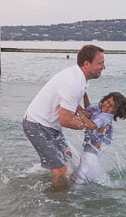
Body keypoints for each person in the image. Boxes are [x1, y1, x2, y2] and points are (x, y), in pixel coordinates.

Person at [22, 44, 106, 190]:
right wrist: (93, 126)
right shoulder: (73, 83)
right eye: (100, 63)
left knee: (67, 157)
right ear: (87, 64)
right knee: (62, 170)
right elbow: (66, 120)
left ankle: (50, 183)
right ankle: (61, 206)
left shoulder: (79, 77)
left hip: (50, 126)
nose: (103, 67)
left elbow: (71, 102)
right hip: (36, 125)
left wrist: (85, 113)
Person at [73, 92, 126, 185]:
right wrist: (85, 95)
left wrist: (79, 112)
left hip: (91, 154)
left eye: (111, 106)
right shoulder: (100, 109)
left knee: (79, 182)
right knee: (78, 178)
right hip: (90, 152)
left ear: (115, 111)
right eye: (107, 101)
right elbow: (89, 111)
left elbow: (92, 125)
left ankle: (71, 198)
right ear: (104, 99)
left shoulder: (105, 117)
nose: (107, 106)